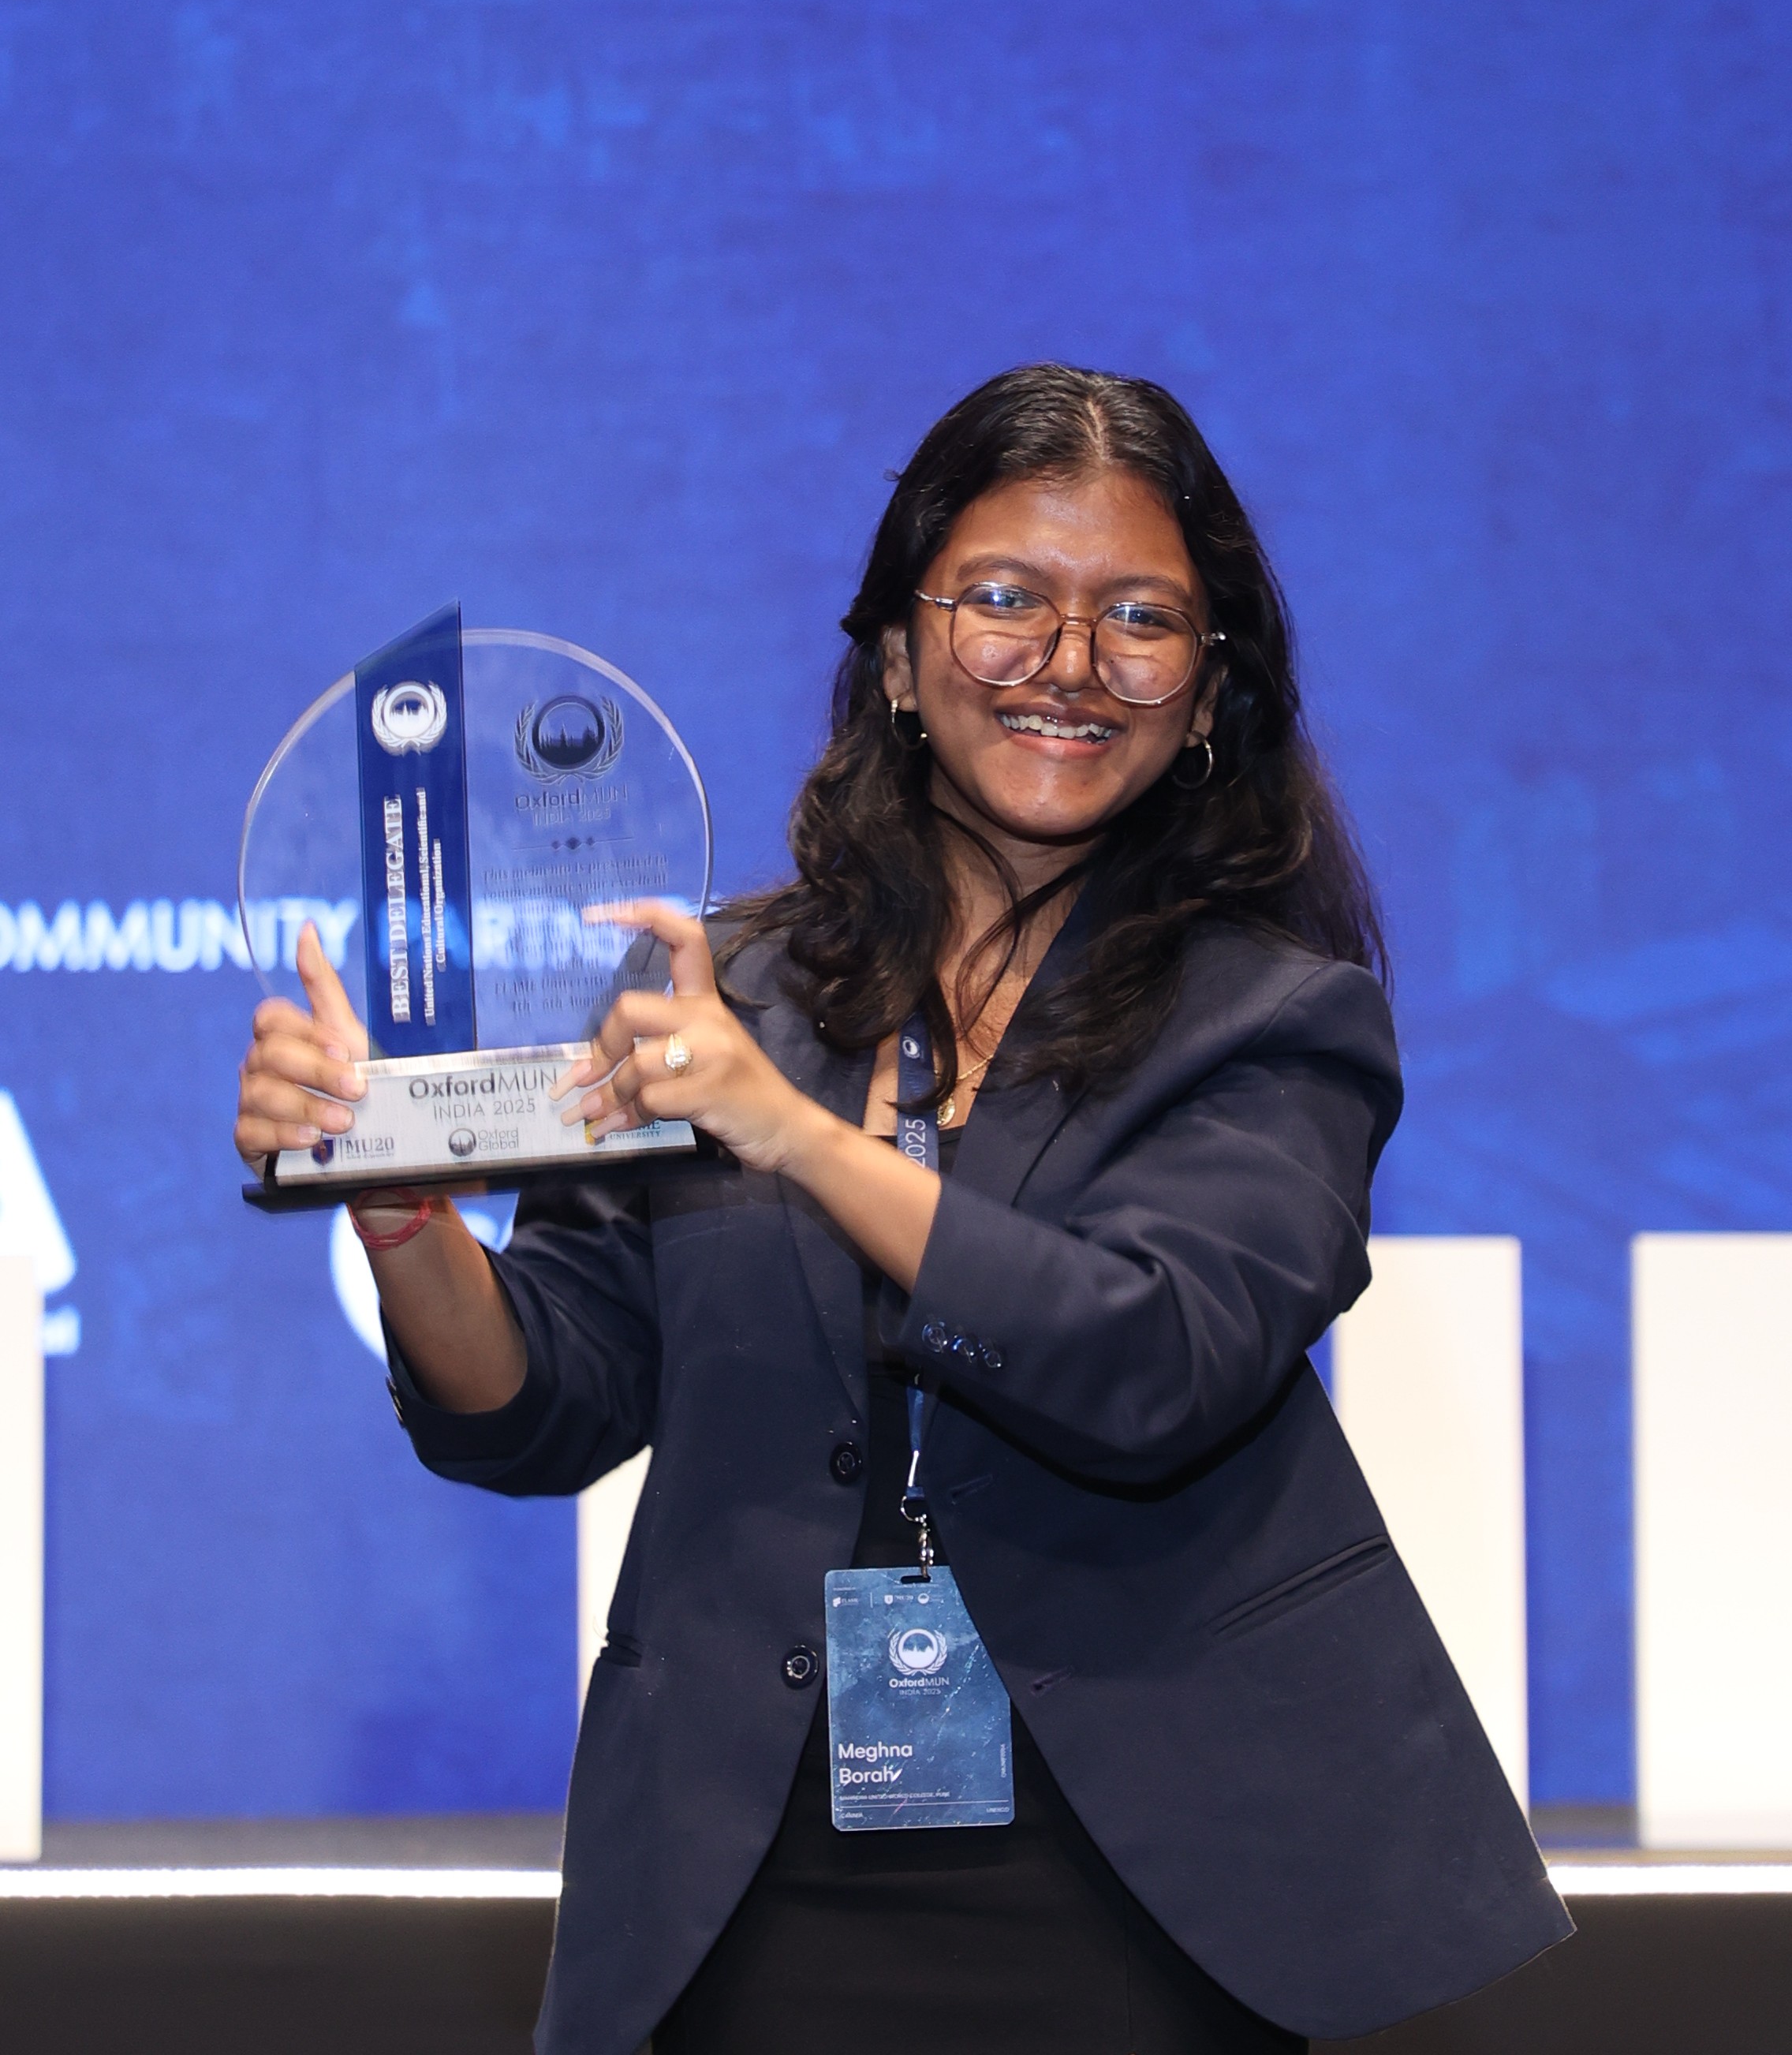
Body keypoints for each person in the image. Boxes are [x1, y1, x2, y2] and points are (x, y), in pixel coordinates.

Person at [235, 365, 1570, 2055]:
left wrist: (793, 1137)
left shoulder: (1273, 1019)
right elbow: (541, 1407)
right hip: (743, 1877)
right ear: (894, 657)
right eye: (1004, 598)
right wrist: (404, 1207)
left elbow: (1150, 1360)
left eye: (1139, 617)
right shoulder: (730, 990)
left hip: (1144, 1888)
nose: (1069, 663)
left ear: (1208, 690)